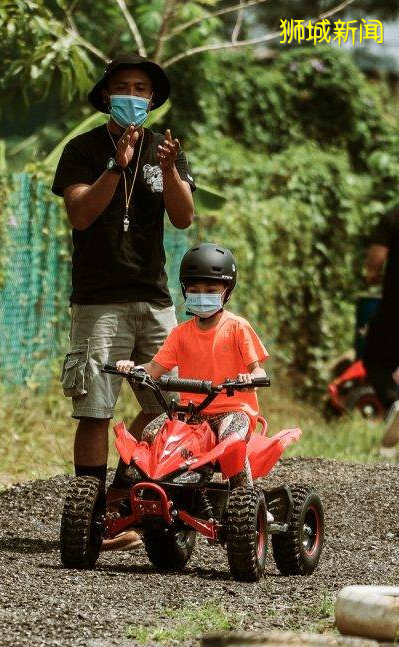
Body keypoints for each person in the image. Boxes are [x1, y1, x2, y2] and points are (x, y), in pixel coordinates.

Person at [52, 53, 195, 551]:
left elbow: (183, 218)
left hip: (154, 298)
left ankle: (121, 494)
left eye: (141, 88)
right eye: (123, 88)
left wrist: (170, 169)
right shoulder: (83, 150)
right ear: (107, 95)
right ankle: (87, 520)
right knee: (94, 407)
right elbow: (80, 215)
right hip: (98, 301)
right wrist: (118, 165)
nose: (133, 96)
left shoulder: (166, 150)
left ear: (152, 98)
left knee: (169, 406)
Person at [113, 243, 268, 488]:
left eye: (210, 289)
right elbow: (153, 370)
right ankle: (129, 492)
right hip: (190, 411)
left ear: (226, 291)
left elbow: (258, 370)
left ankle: (245, 499)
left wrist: (251, 379)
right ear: (185, 291)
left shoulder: (237, 327)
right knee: (149, 435)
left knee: (232, 441)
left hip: (232, 410)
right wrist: (131, 368)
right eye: (195, 290)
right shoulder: (179, 334)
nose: (202, 294)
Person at [364, 206, 399, 458]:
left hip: (396, 304)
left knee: (376, 359)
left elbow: (376, 259)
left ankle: (392, 403)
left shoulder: (393, 216)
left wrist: (373, 275)